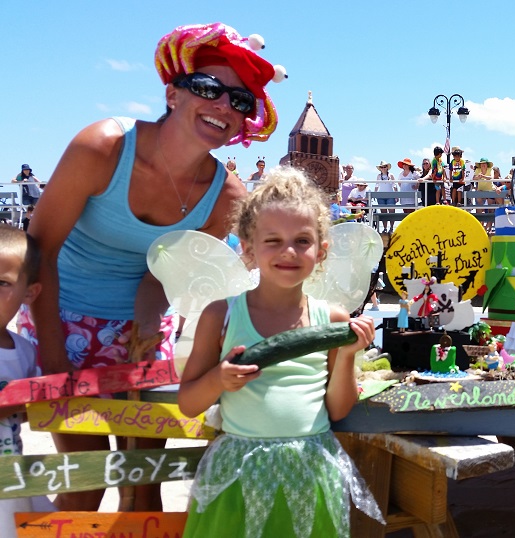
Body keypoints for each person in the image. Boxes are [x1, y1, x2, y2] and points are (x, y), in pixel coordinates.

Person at [18, 22, 277, 512]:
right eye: (208, 88)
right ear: (173, 95)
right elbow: (39, 253)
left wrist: (146, 326)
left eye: (240, 101)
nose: (224, 106)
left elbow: (170, 277)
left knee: (143, 487)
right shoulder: (102, 147)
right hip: (60, 318)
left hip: (144, 333)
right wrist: (54, 362)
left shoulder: (227, 196)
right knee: (87, 485)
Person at [178, 167, 383, 537]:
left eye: (302, 240)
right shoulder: (220, 316)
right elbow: (189, 403)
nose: (288, 251)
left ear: (321, 251)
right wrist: (218, 379)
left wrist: (349, 353)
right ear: (248, 248)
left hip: (310, 469)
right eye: (272, 240)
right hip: (240, 471)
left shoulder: (331, 319)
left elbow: (337, 409)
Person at [0, 225, 53, 535]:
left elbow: (38, 409)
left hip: (11, 477)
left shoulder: (24, 351)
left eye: (2, 282)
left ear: (29, 293)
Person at [373, 161, 396, 232]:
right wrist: (375, 194)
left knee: (391, 212)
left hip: (390, 195)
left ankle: (391, 228)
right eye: (381, 167)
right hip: (381, 196)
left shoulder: (391, 175)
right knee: (383, 213)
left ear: (387, 168)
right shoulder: (379, 176)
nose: (383, 168)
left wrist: (396, 195)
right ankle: (385, 228)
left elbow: (394, 185)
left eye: (384, 167)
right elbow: (376, 186)